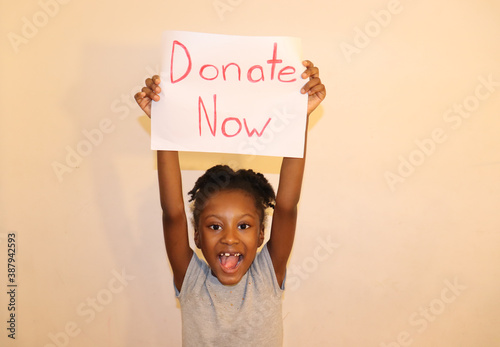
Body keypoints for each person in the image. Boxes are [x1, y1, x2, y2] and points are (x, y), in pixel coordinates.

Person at [134, 60, 326, 346]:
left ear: (262, 233)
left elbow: (286, 205)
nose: (229, 238)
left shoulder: (267, 275)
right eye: (214, 226)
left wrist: (298, 118)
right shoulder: (192, 282)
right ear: (196, 236)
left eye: (244, 225)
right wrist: (163, 126)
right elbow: (172, 213)